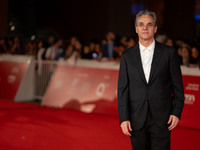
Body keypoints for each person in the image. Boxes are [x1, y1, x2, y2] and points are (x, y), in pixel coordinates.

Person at [117, 10, 184, 150]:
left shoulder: (169, 53)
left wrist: (176, 113)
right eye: (141, 24)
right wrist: (124, 118)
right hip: (136, 119)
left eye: (149, 24)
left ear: (155, 28)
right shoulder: (127, 56)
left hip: (163, 118)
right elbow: (123, 89)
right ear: (136, 28)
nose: (145, 28)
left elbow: (178, 86)